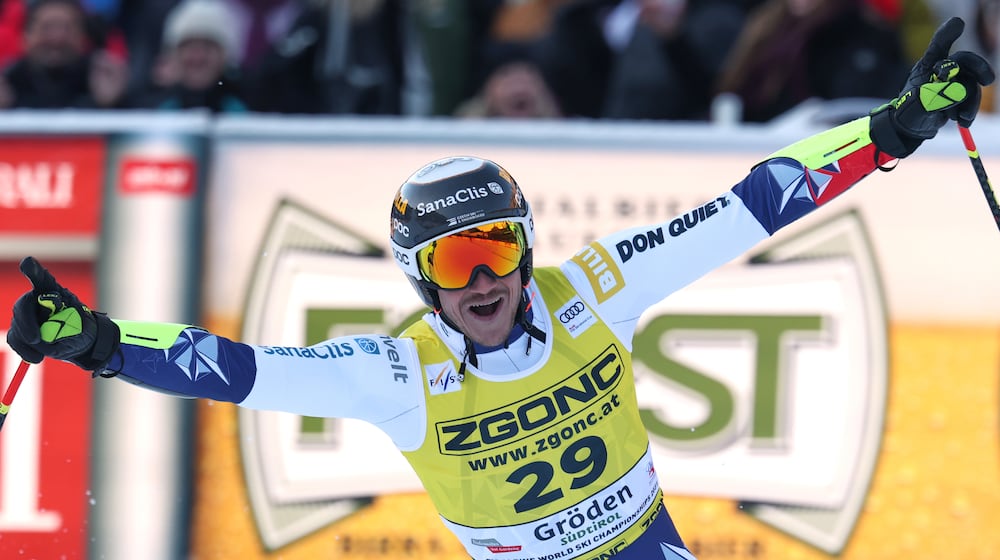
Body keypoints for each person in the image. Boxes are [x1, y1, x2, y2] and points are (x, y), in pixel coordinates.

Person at [5, 17, 994, 560]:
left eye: (492, 251)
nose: (479, 281)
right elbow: (230, 367)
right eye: (449, 263)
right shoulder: (395, 371)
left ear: (524, 249)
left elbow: (755, 202)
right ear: (419, 281)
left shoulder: (594, 289)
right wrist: (97, 339)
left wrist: (895, 126)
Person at [0, 0, 128, 109]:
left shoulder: (100, 76)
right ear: (25, 36)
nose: (57, 38)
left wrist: (114, 104)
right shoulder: (9, 81)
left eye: (67, 28)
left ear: (82, 35)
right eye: (46, 28)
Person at [127, 0, 249, 113]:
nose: (198, 57)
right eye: (189, 46)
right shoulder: (150, 113)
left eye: (208, 46)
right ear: (173, 55)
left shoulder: (245, 113)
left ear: (224, 56)